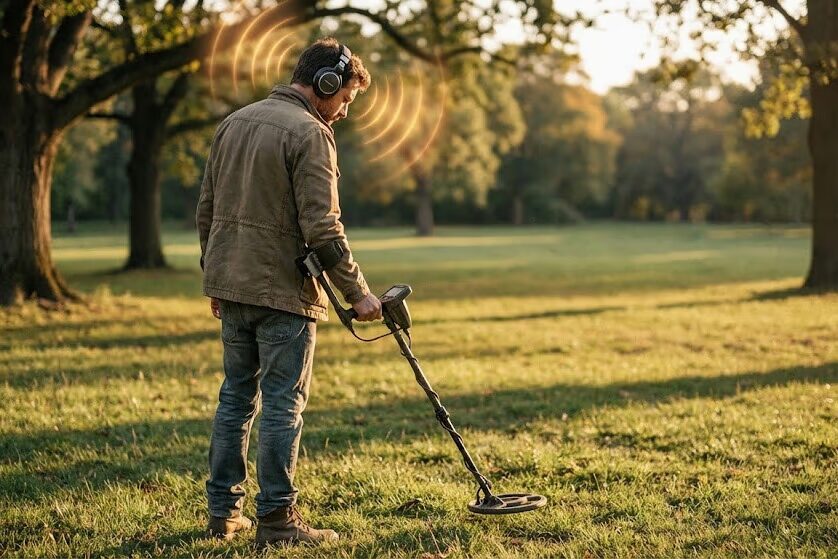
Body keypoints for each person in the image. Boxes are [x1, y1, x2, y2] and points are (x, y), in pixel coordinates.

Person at [196, 37, 382, 547]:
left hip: (231, 285)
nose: (343, 111)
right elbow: (324, 228)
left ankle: (223, 515)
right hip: (281, 292)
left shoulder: (233, 122)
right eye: (344, 99)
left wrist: (215, 275)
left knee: (235, 400)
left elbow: (206, 211)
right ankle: (277, 521)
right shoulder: (310, 133)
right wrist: (359, 294)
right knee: (283, 406)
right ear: (325, 84)